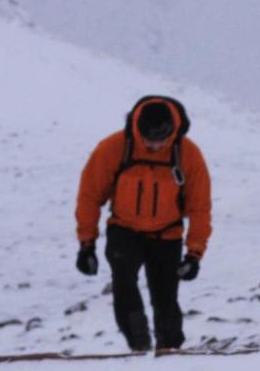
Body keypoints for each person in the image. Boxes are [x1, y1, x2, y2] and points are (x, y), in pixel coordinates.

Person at [74, 95, 212, 351]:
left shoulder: (188, 154)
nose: (155, 146)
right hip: (124, 231)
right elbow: (90, 196)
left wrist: (194, 254)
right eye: (149, 140)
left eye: (161, 141)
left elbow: (200, 207)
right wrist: (86, 245)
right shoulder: (114, 148)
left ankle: (170, 350)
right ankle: (139, 346)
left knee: (166, 297)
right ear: (138, 129)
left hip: (167, 235)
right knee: (124, 284)